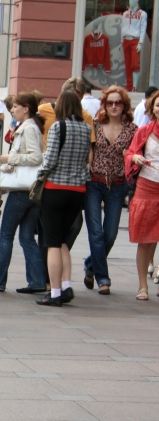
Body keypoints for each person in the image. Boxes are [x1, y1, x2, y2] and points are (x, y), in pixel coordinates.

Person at [0, 93, 46, 294]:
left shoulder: (28, 128)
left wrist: (9, 158)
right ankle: (37, 281)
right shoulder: (31, 126)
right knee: (27, 237)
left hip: (21, 191)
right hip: (32, 190)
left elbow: (36, 157)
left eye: (15, 106)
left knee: (6, 235)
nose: (12, 110)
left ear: (26, 108)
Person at [36, 90, 92, 306]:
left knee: (51, 242)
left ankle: (56, 292)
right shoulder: (87, 128)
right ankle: (67, 286)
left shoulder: (59, 127)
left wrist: (40, 173)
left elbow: (50, 159)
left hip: (55, 188)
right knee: (61, 241)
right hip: (77, 191)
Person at [83, 86, 137, 295]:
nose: (114, 106)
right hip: (93, 183)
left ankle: (90, 265)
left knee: (111, 234)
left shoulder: (132, 129)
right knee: (95, 232)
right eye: (110, 103)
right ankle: (103, 278)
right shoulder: (95, 125)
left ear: (124, 106)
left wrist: (130, 157)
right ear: (104, 105)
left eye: (118, 103)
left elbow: (137, 155)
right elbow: (88, 149)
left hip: (117, 184)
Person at [125, 89, 159, 300]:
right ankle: (142, 286)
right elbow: (130, 153)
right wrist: (135, 158)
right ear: (152, 108)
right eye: (158, 105)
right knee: (145, 239)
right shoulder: (144, 131)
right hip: (147, 187)